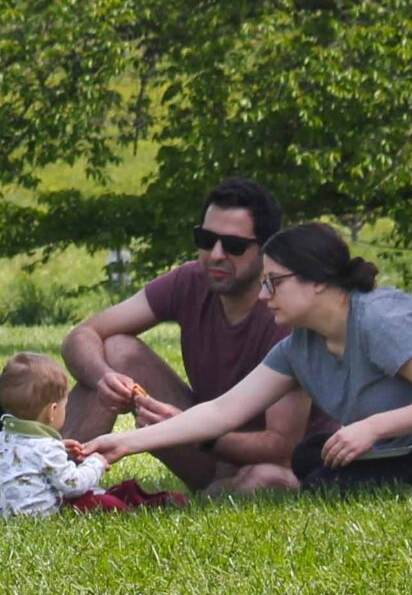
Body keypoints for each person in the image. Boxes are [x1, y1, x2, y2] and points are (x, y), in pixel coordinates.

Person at [80, 224, 412, 491]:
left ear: (317, 281)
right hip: (406, 450)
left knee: (329, 480)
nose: (263, 295)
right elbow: (223, 412)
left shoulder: (379, 319)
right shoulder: (300, 346)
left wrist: (371, 427)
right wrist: (126, 444)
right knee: (310, 459)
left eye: (273, 282)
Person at [59, 177, 321, 497]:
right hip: (206, 444)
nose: (216, 254)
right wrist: (103, 378)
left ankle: (214, 494)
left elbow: (282, 447)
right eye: (206, 239)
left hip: (272, 463)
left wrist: (192, 430)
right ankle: (52, 478)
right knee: (114, 350)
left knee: (270, 480)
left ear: (266, 250)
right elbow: (82, 335)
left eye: (234, 245)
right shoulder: (189, 280)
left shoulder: (286, 312)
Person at [0, 352, 108, 518]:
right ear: (53, 410)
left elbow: (26, 458)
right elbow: (73, 485)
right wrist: (95, 464)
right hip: (32, 516)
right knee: (97, 499)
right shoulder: (46, 449)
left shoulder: (7, 434)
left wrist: (60, 447)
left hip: (0, 513)